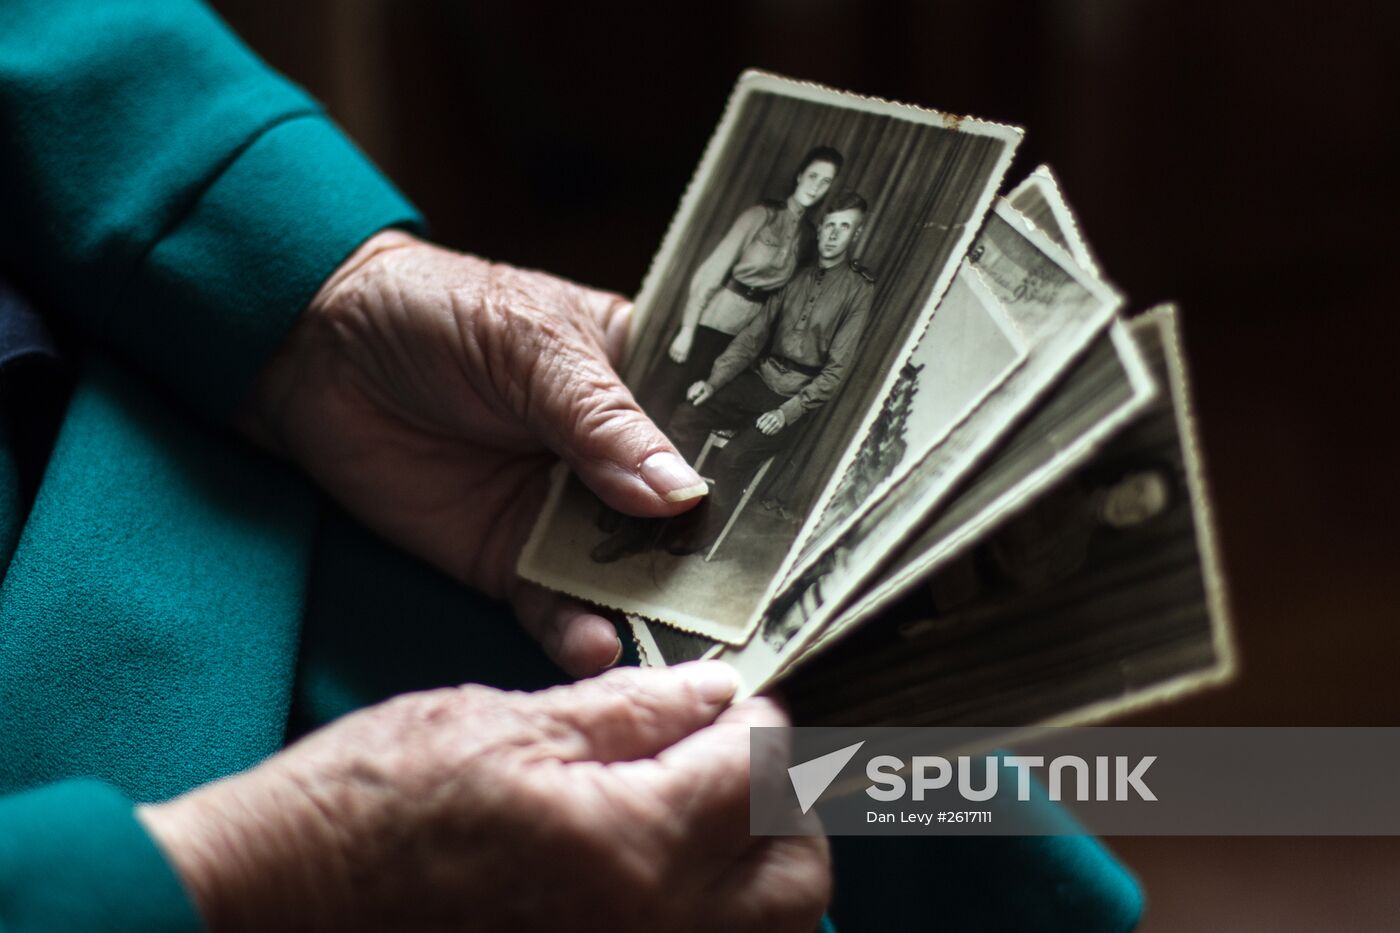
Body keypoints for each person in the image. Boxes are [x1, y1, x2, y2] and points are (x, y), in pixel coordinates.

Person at [0, 3, 1143, 930]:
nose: (822, 227)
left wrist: (297, 282)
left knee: (851, 704)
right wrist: (245, 873)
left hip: (159, 348)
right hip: (117, 797)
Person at [665, 192, 875, 553]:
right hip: (759, 380)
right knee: (686, 416)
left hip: (793, 399)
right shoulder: (796, 278)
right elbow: (752, 336)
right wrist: (714, 381)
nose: (834, 235)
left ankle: (703, 532)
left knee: (731, 459)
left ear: (855, 235)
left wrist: (786, 412)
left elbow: (836, 370)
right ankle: (667, 508)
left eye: (845, 227)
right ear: (821, 228)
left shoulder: (858, 290)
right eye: (830, 226)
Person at [649, 146, 843, 418]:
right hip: (710, 323)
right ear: (799, 175)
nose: (816, 187)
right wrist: (688, 329)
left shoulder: (809, 237)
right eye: (813, 176)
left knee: (690, 413)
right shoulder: (760, 215)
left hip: (744, 340)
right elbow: (710, 273)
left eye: (825, 182)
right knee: (658, 403)